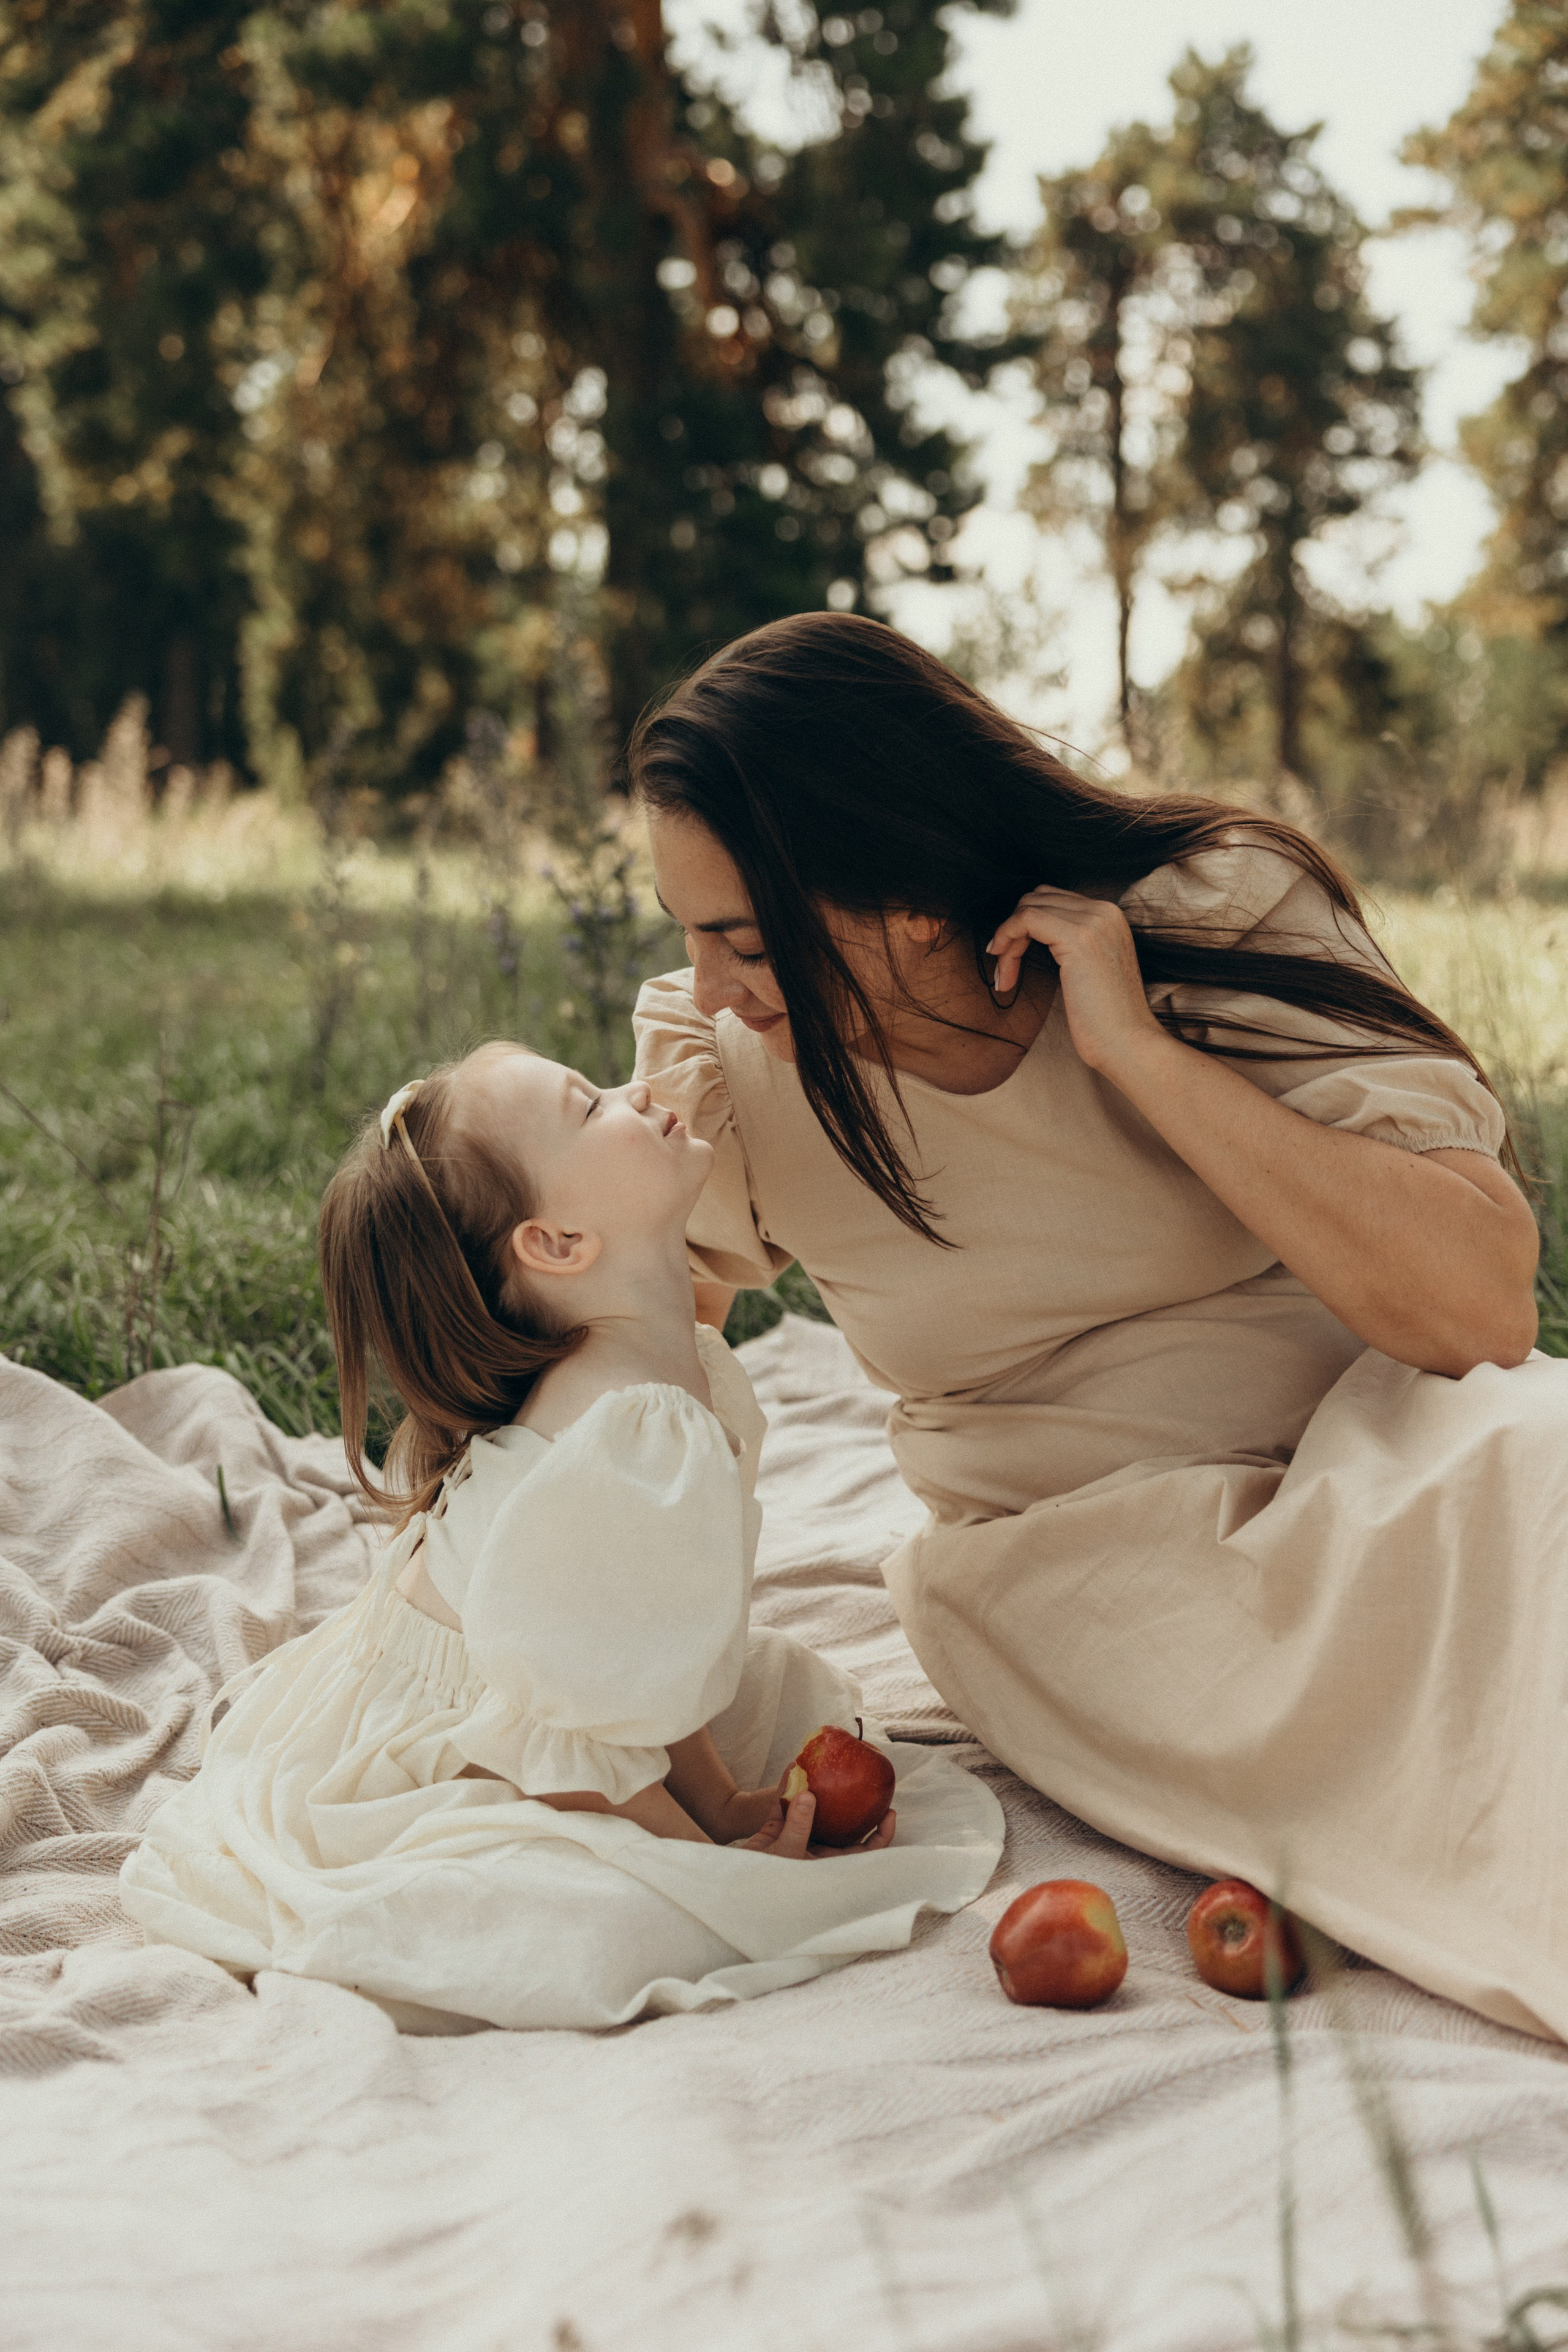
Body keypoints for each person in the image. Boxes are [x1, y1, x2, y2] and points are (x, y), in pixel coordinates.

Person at [630, 609, 1568, 2043]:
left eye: (741, 939)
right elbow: (621, 1377)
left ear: (899, 874)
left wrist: (1136, 1053)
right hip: (1087, 1557)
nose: (710, 986)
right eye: (690, 939)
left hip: (1383, 1442)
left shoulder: (1209, 911)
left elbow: (1476, 1307)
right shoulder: (729, 1069)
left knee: (1543, 1471)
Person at [118, 1041, 1003, 2032]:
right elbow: (570, 1731)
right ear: (558, 1242)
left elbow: (635, 1643)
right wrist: (699, 1859)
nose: (638, 1091)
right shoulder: (621, 1428)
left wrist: (716, 1799)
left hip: (558, 1683)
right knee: (611, 1918)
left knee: (776, 1688)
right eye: (592, 1106)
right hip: (488, 1733)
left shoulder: (649, 1384)